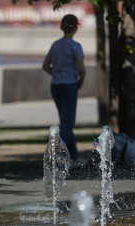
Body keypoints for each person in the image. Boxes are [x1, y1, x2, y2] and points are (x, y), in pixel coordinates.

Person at [42, 14, 87, 169]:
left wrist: (57, 73)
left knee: (65, 121)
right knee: (68, 123)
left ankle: (73, 156)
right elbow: (81, 68)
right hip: (69, 85)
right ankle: (59, 158)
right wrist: (80, 81)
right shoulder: (75, 46)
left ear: (62, 27)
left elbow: (46, 65)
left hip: (56, 85)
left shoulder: (55, 45)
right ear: (75, 27)